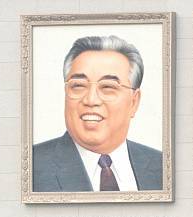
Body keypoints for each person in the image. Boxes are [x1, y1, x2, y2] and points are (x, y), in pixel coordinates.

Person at [33, 35, 162, 192]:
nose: (91, 100)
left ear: (134, 102)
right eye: (78, 86)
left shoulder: (162, 166)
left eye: (108, 87)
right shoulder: (32, 167)